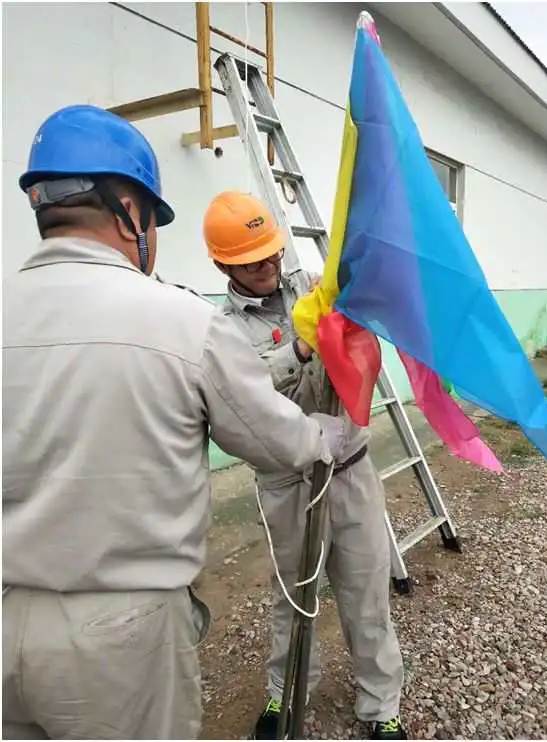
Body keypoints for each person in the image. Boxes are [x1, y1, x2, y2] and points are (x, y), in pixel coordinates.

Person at [2, 106, 348, 741]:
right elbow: (279, 440)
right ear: (129, 211)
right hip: (120, 633)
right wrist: (328, 433)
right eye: (154, 222)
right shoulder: (185, 322)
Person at [204, 191, 407, 741]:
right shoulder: (220, 329)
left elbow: (363, 324)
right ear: (224, 266)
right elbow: (241, 392)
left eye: (271, 253)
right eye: (252, 261)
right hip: (288, 481)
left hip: (349, 469)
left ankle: (381, 705)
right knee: (294, 595)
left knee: (366, 591)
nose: (268, 265)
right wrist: (298, 347)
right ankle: (285, 692)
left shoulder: (314, 288)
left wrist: (352, 291)